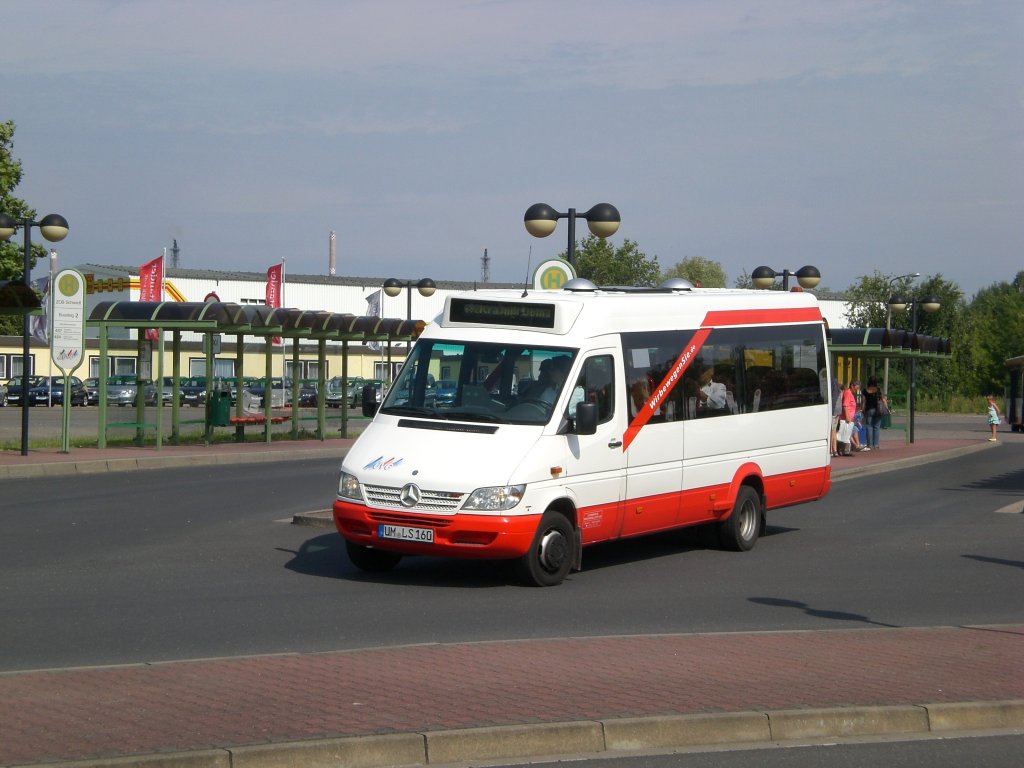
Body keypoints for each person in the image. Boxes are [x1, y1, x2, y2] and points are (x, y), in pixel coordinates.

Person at [861, 378, 883, 450]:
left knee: (869, 427)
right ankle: (876, 445)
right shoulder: (879, 390)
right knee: (877, 427)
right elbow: (882, 399)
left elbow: (863, 401)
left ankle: (870, 445)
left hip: (869, 410)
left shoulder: (865, 390)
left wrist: (862, 409)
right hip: (878, 410)